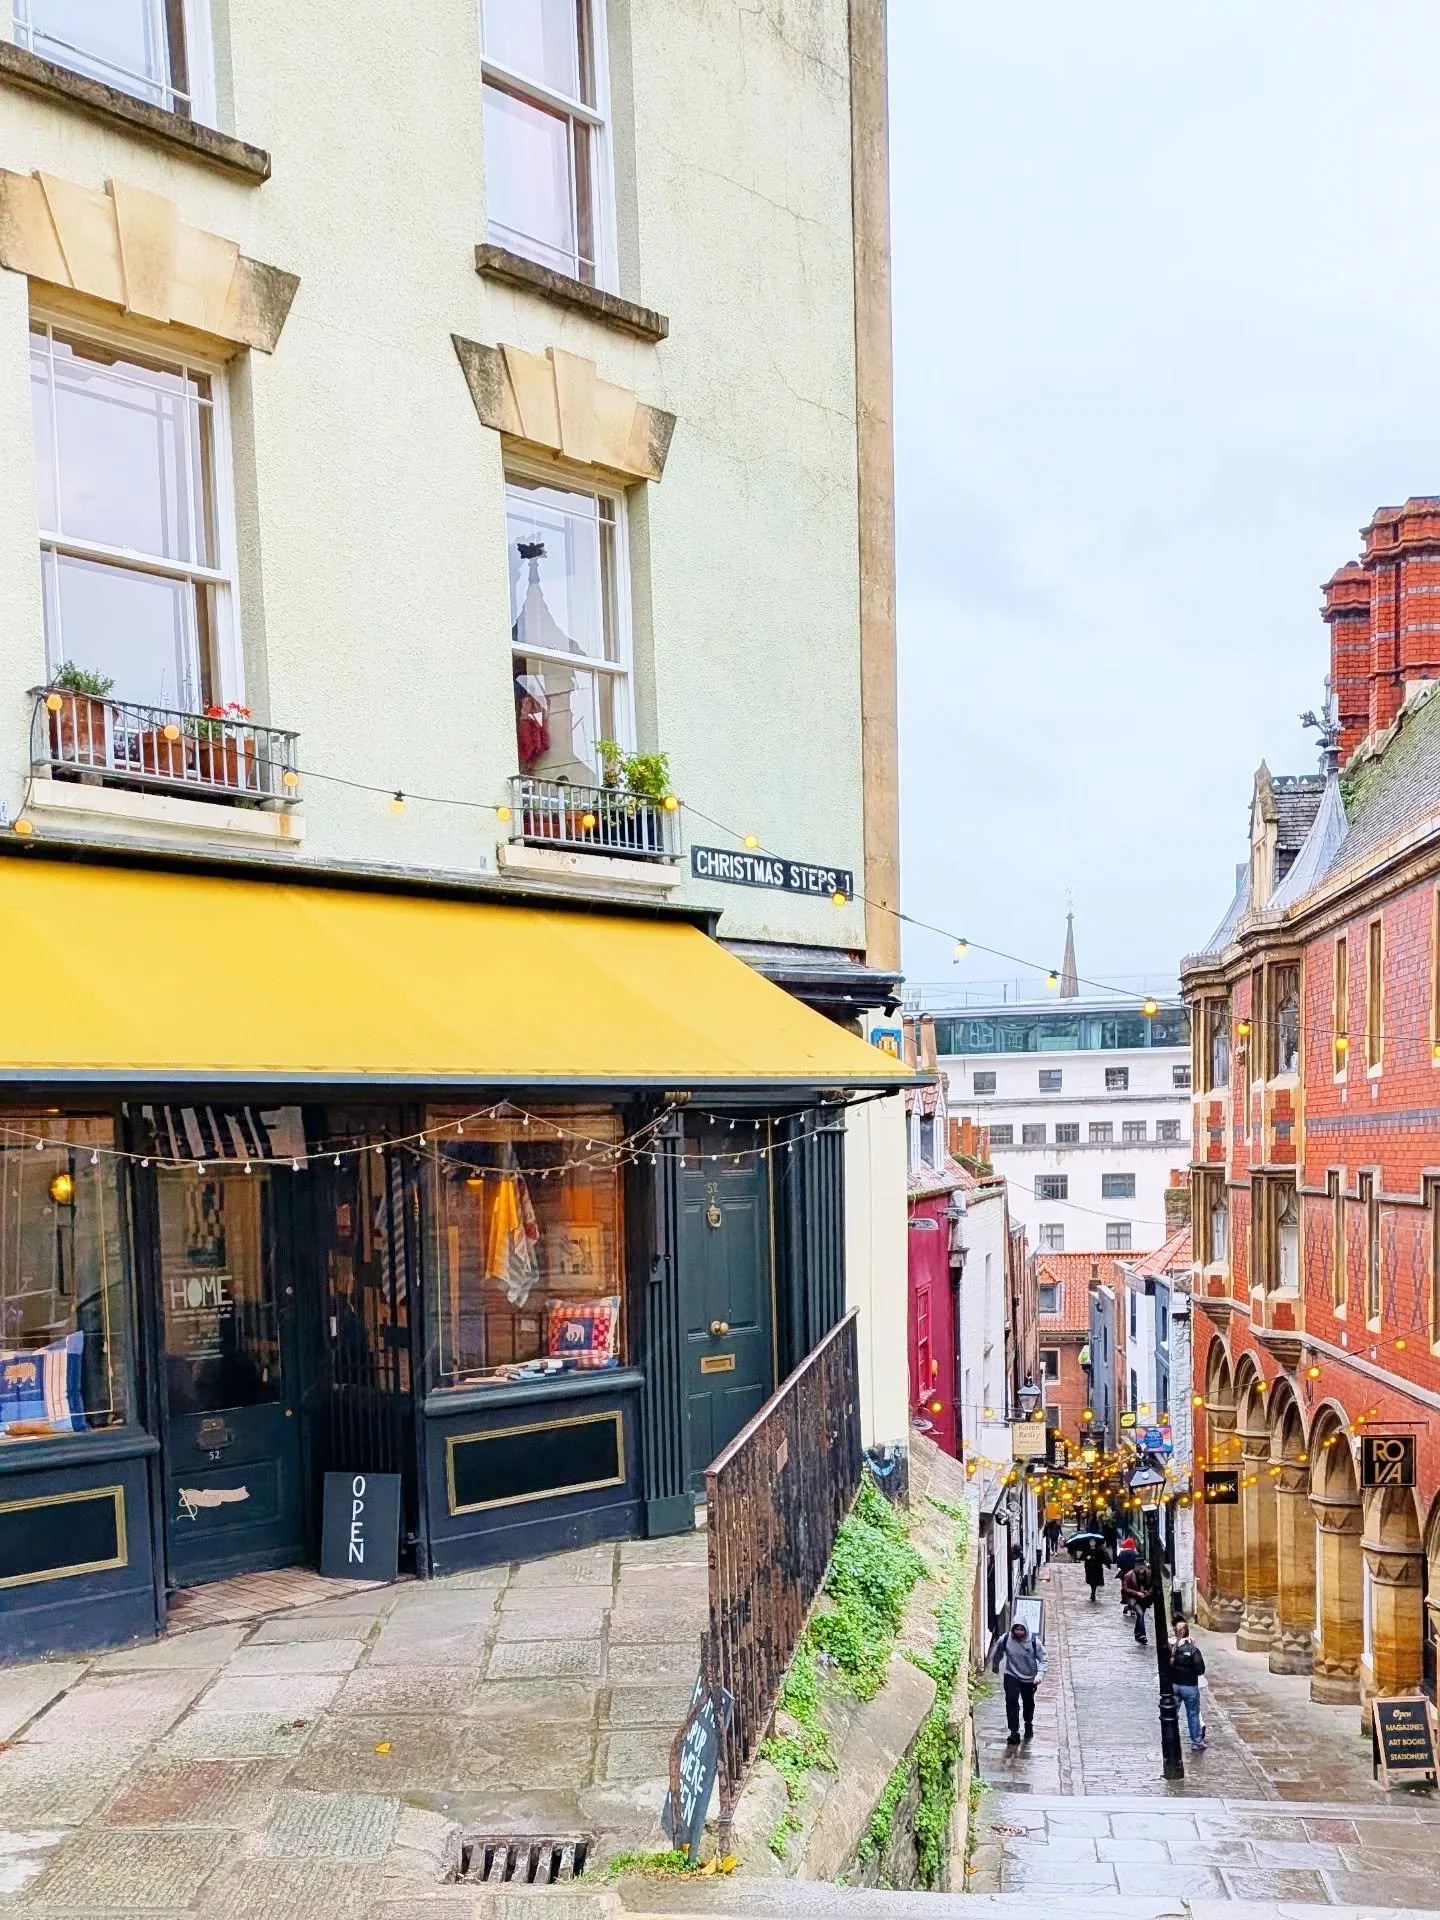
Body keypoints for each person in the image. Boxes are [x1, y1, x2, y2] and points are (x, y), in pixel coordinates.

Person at [991, 1618, 1048, 1745]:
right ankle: (1014, 1731)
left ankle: (1028, 1723)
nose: (1019, 1632)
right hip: (1011, 1675)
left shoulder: (1034, 1641)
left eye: (1021, 1629)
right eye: (1016, 1629)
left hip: (1029, 1678)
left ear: (1026, 1629)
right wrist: (995, 1666)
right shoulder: (1005, 1639)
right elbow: (998, 1652)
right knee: (1011, 1703)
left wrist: (1039, 1675)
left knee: (1028, 1703)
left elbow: (1043, 1659)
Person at [1170, 1621, 1207, 1750]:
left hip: (1174, 1684)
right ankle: (1196, 1742)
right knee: (1192, 1714)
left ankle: (1171, 1739)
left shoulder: (1171, 1647)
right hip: (1190, 1686)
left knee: (1172, 1713)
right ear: (1187, 1632)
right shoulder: (1193, 1650)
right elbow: (1200, 1669)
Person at [1122, 1559, 1154, 1644]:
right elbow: (1125, 1588)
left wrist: (1148, 1593)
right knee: (1140, 1614)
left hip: (1145, 1599)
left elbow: (1152, 1586)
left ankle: (1137, 1633)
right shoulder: (1128, 1575)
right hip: (1133, 1599)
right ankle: (1142, 1635)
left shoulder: (1149, 1574)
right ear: (1135, 1567)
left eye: (1142, 1567)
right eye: (1139, 1567)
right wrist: (1137, 1593)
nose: (1141, 1569)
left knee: (1141, 1615)